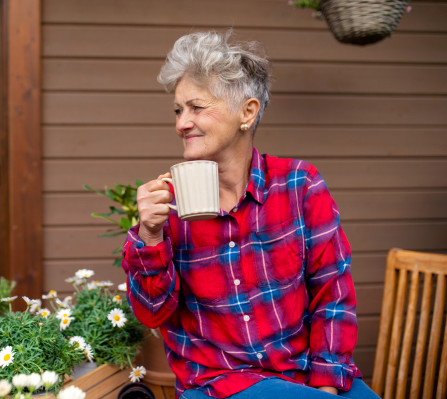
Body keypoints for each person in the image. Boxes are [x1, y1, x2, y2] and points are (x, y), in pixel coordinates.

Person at [121, 31, 379, 399]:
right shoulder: (167, 206)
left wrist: (325, 388)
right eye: (178, 110)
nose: (181, 123)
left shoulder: (299, 185)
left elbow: (332, 293)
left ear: (248, 112)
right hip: (217, 385)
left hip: (303, 375)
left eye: (196, 107)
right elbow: (151, 315)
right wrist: (149, 235)